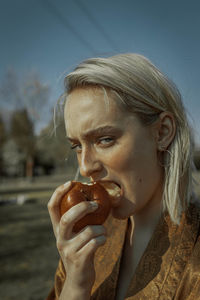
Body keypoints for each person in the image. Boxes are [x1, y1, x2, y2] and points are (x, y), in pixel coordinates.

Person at [46, 53, 200, 300]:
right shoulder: (88, 239)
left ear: (162, 132)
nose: (85, 167)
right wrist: (75, 284)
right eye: (77, 146)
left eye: (105, 139)